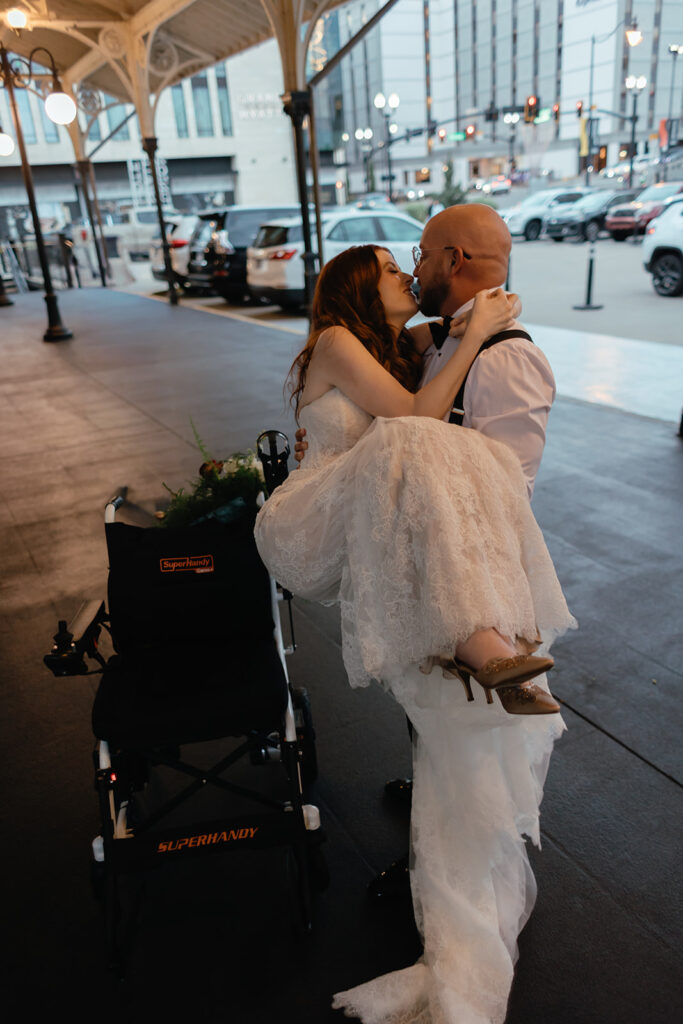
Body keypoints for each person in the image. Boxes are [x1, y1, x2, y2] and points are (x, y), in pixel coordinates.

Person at [254, 243, 576, 1024]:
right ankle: (478, 643)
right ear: (361, 286)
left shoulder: (392, 347)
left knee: (441, 453)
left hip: (357, 509)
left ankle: (476, 643)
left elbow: (435, 368)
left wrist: (474, 322)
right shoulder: (334, 339)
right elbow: (414, 414)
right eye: (394, 270)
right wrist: (470, 337)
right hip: (306, 518)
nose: (408, 275)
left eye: (413, 265)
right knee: (414, 438)